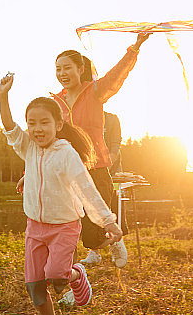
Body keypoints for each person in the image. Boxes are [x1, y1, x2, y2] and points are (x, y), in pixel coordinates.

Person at [0, 72, 123, 315]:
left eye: (44, 122)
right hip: (35, 226)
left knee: (57, 275)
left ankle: (77, 274)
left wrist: (108, 221)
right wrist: (3, 95)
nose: (37, 128)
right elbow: (9, 127)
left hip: (64, 225)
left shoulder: (66, 152)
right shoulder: (28, 147)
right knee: (34, 283)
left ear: (58, 124)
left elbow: (85, 188)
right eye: (32, 123)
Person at [51, 33, 150, 268]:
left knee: (98, 216)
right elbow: (48, 136)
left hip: (96, 166)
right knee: (77, 220)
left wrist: (134, 48)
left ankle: (115, 241)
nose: (62, 73)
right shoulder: (56, 102)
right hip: (68, 169)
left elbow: (117, 76)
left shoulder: (94, 92)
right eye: (58, 69)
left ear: (80, 68)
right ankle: (88, 257)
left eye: (67, 68)